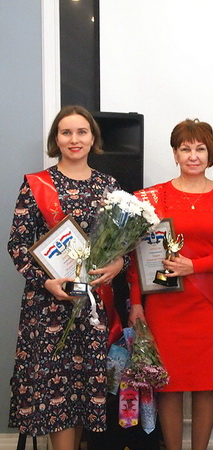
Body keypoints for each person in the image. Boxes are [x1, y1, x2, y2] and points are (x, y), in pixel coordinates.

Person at [7, 105, 126, 450]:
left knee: (83, 395)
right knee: (56, 396)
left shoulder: (109, 186)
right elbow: (17, 245)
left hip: (91, 308)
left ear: (92, 138)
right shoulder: (36, 184)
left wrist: (118, 263)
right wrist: (45, 282)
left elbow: (121, 245)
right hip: (48, 308)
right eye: (66, 132)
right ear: (56, 139)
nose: (74, 139)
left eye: (81, 132)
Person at [127, 119, 213, 450]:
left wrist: (194, 266)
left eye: (200, 149)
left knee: (208, 385)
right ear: (175, 154)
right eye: (185, 148)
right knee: (169, 386)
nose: (193, 156)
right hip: (164, 306)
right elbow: (137, 256)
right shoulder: (153, 197)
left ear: (211, 154)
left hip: (210, 305)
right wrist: (135, 302)